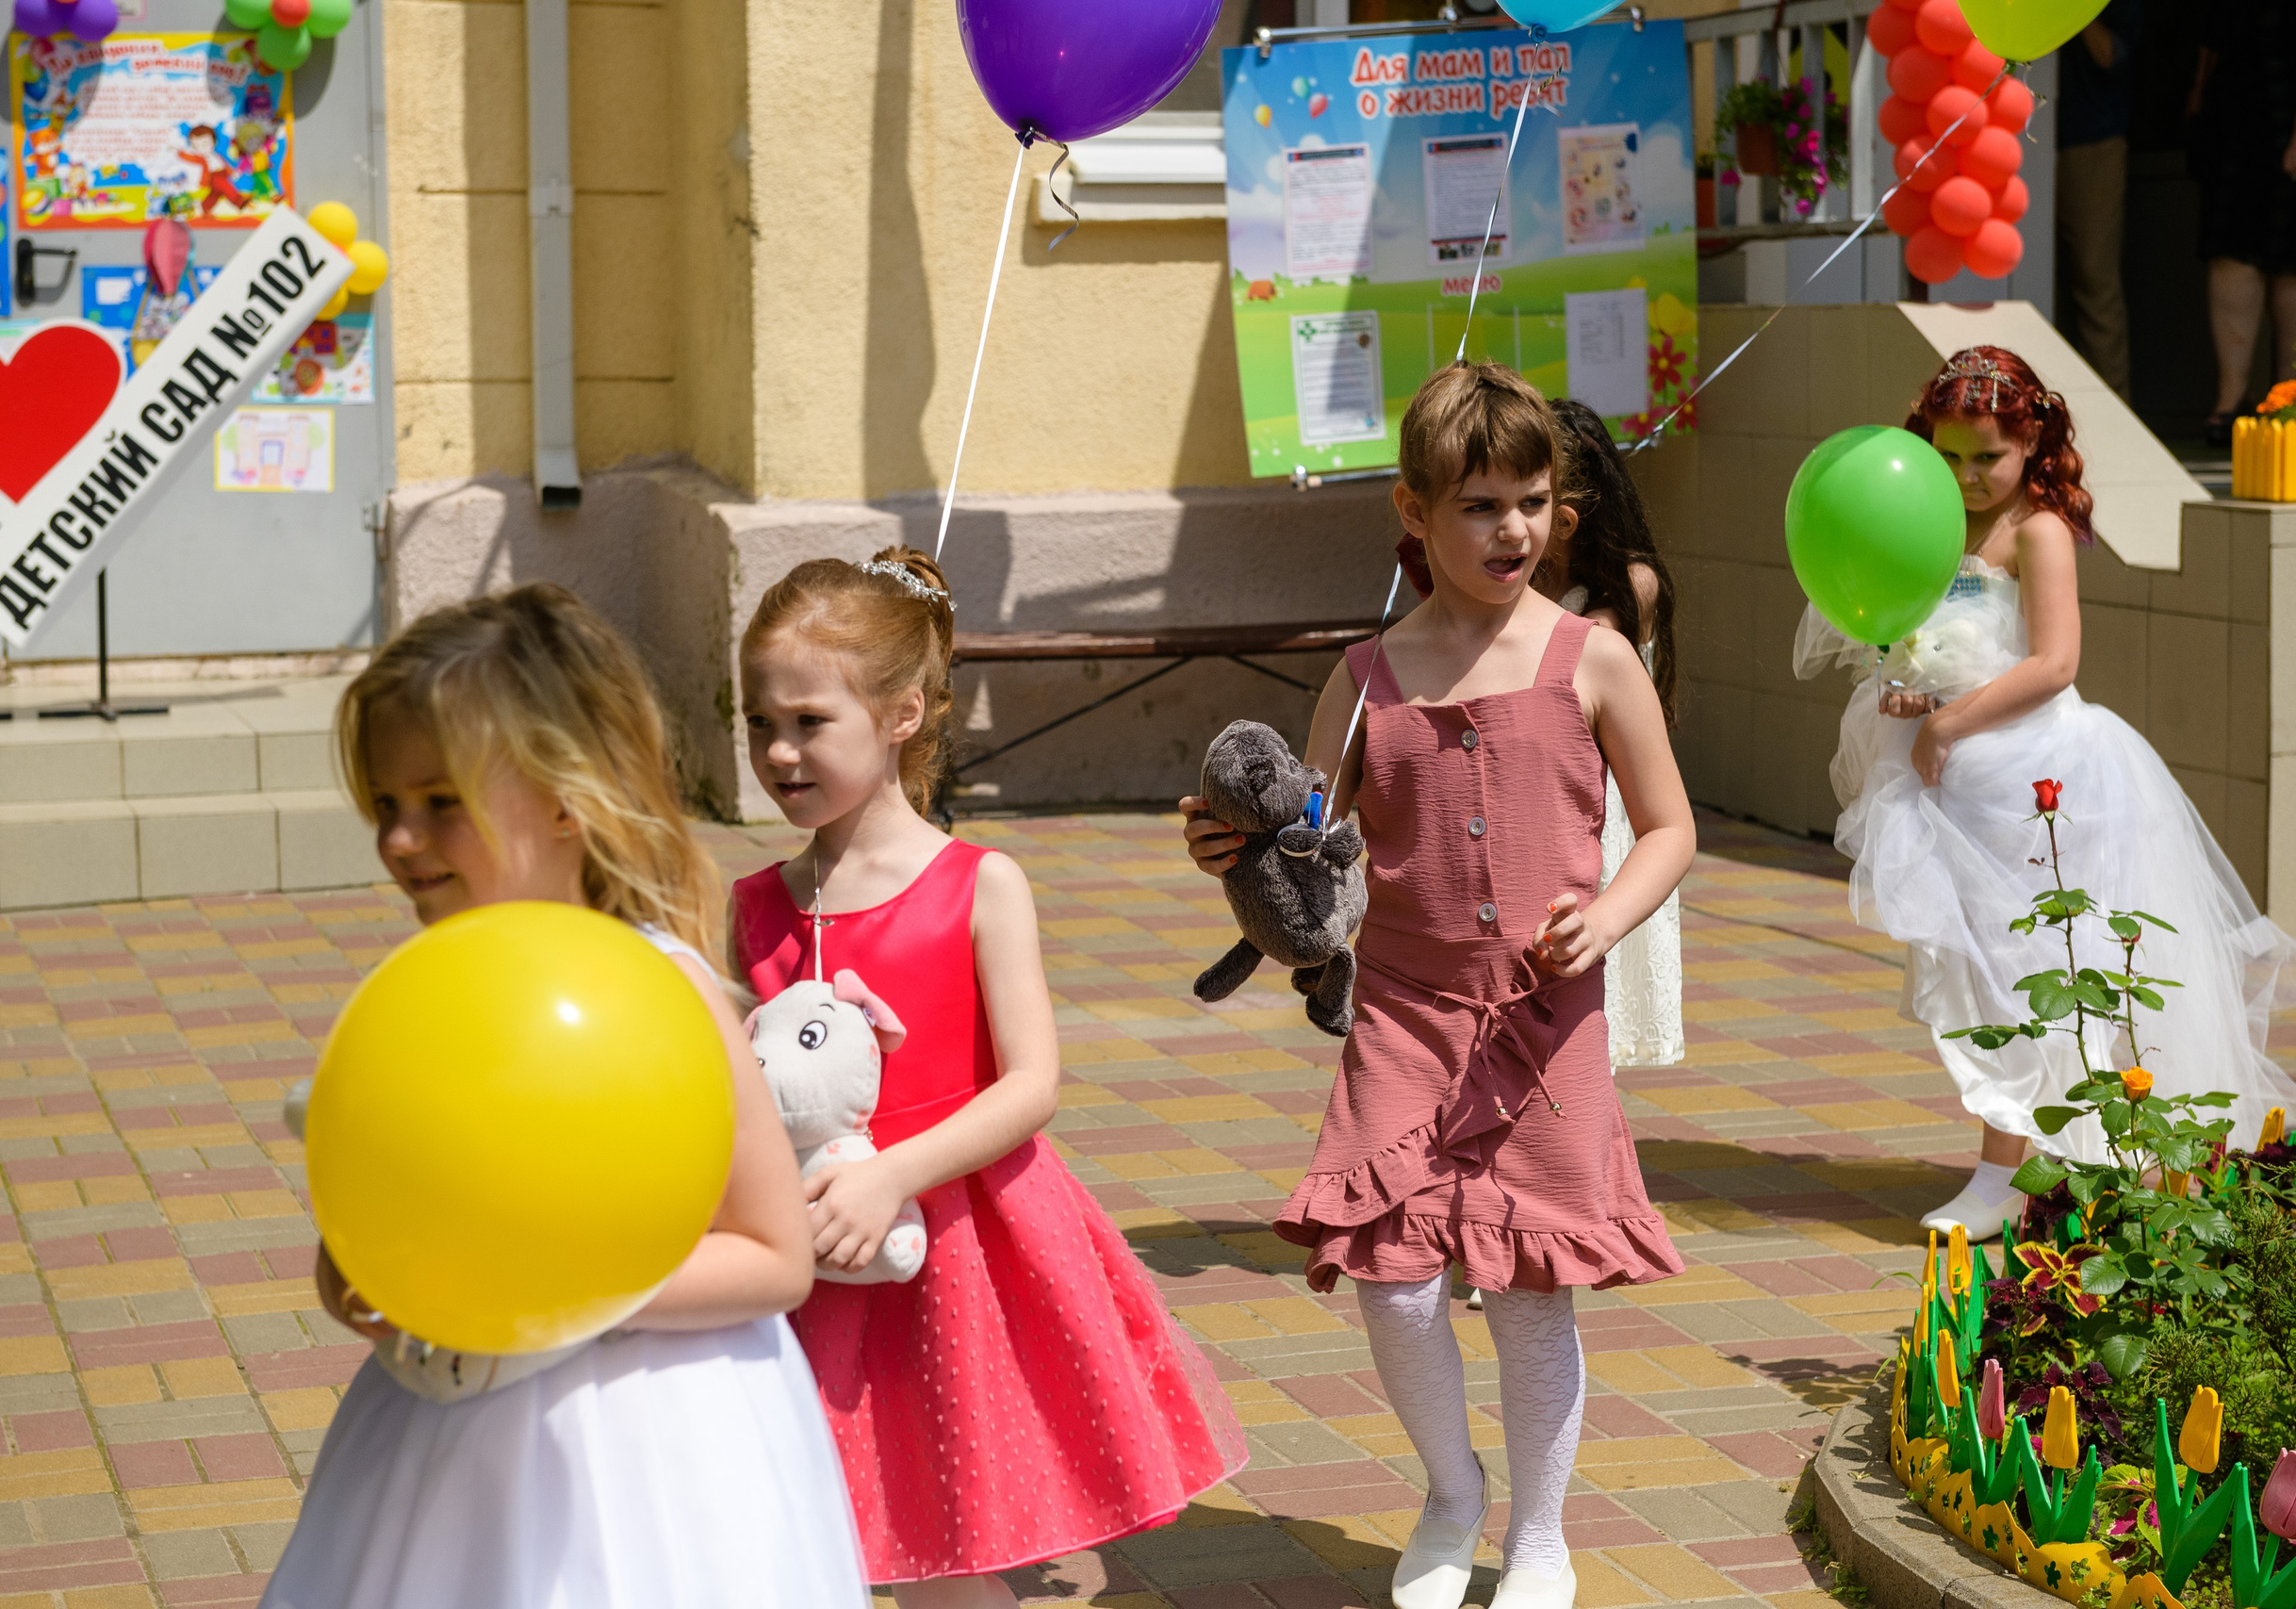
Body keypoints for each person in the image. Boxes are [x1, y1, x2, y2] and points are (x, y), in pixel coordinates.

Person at [1182, 364, 1694, 1609]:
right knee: (1394, 1278)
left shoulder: (1595, 658)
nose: (1512, 529)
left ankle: (1541, 1538)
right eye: (1479, 506)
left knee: (1529, 1293)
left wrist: (1606, 916)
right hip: (1404, 1016)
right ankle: (1452, 1491)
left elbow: (1670, 828)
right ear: (1414, 511)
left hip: (1543, 1025)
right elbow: (1309, 838)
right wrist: (1237, 849)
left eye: (1532, 501)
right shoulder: (1367, 676)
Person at [261, 584, 869, 1609]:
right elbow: (415, 1197)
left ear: (564, 795)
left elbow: (774, 1255)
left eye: (440, 801)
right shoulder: (433, 992)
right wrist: (362, 1267)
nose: (401, 840)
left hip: (643, 1434)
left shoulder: (663, 989)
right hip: (451, 1434)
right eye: (387, 807)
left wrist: (538, 1282)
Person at [734, 547, 1247, 1607]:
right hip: (811, 1252)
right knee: (819, 1531)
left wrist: (891, 1174)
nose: (779, 752)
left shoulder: (979, 884)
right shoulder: (753, 905)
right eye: (759, 723)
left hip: (962, 1247)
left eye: (809, 721)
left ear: (902, 714)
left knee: (945, 1545)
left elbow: (1030, 1084)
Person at [1796, 346, 2296, 1241]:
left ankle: (2029, 1168)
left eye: (1987, 456)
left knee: (2045, 973)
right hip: (1961, 791)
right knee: (1987, 979)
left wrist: (1951, 723)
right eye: (1950, 456)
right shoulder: (1932, 523)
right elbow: (1922, 637)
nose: (1967, 476)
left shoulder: (2036, 530)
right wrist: (1911, 690)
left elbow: (2054, 660)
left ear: (2031, 442)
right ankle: (2027, 1163)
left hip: (2042, 785)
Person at [1543, 399, 1684, 1071]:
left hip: (1603, 807)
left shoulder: (1631, 583)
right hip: (1546, 795)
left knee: (1590, 991)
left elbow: (1566, 656)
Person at [2188, 0, 2296, 443]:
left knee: (2294, 262)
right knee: (2231, 251)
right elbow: (2213, 33)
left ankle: (2291, 401)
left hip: (2290, 111)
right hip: (2234, 120)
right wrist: (2198, 95)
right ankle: (2232, 397)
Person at [2056, 0, 2139, 400]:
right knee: (2026, 279)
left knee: (2095, 279)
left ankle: (2114, 410)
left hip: (2091, 138)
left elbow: (2112, 55)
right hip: (2017, 139)